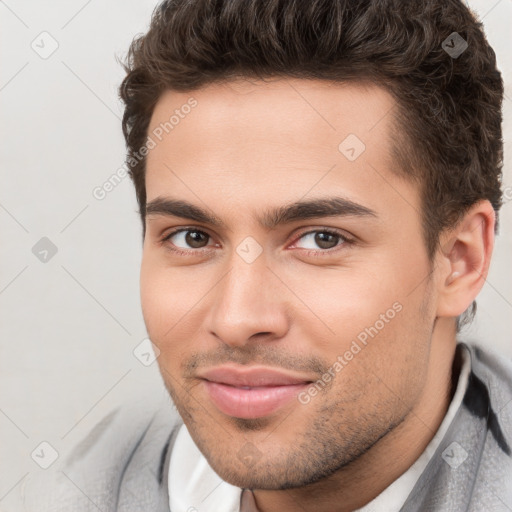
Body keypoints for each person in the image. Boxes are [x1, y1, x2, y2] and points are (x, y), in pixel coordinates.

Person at [19, 0, 512, 510]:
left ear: (460, 260)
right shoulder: (78, 486)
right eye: (192, 237)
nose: (236, 320)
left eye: (322, 239)